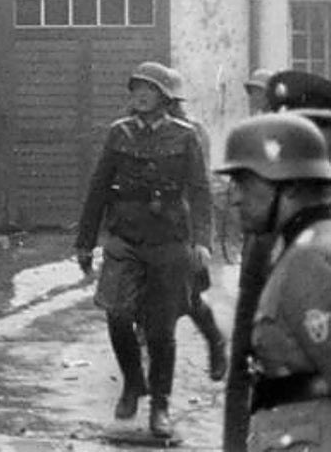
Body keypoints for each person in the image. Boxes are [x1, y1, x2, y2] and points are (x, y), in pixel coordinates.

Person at [74, 60, 212, 438]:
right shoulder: (118, 134)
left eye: (148, 89)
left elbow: (200, 192)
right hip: (125, 238)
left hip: (169, 241)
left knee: (161, 329)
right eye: (136, 88)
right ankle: (134, 382)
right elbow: (98, 189)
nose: (140, 94)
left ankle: (161, 406)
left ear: (165, 98)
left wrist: (202, 241)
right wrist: (85, 243)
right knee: (117, 315)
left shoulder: (185, 136)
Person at [217, 112, 331, 451]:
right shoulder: (301, 245)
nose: (235, 197)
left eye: (244, 182)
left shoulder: (311, 259)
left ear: (290, 186)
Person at [161, 68, 227, 383]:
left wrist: (202, 238)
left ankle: (215, 341)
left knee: (187, 299)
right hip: (151, 228)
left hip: (182, 226)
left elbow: (199, 188)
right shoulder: (139, 128)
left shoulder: (192, 132)